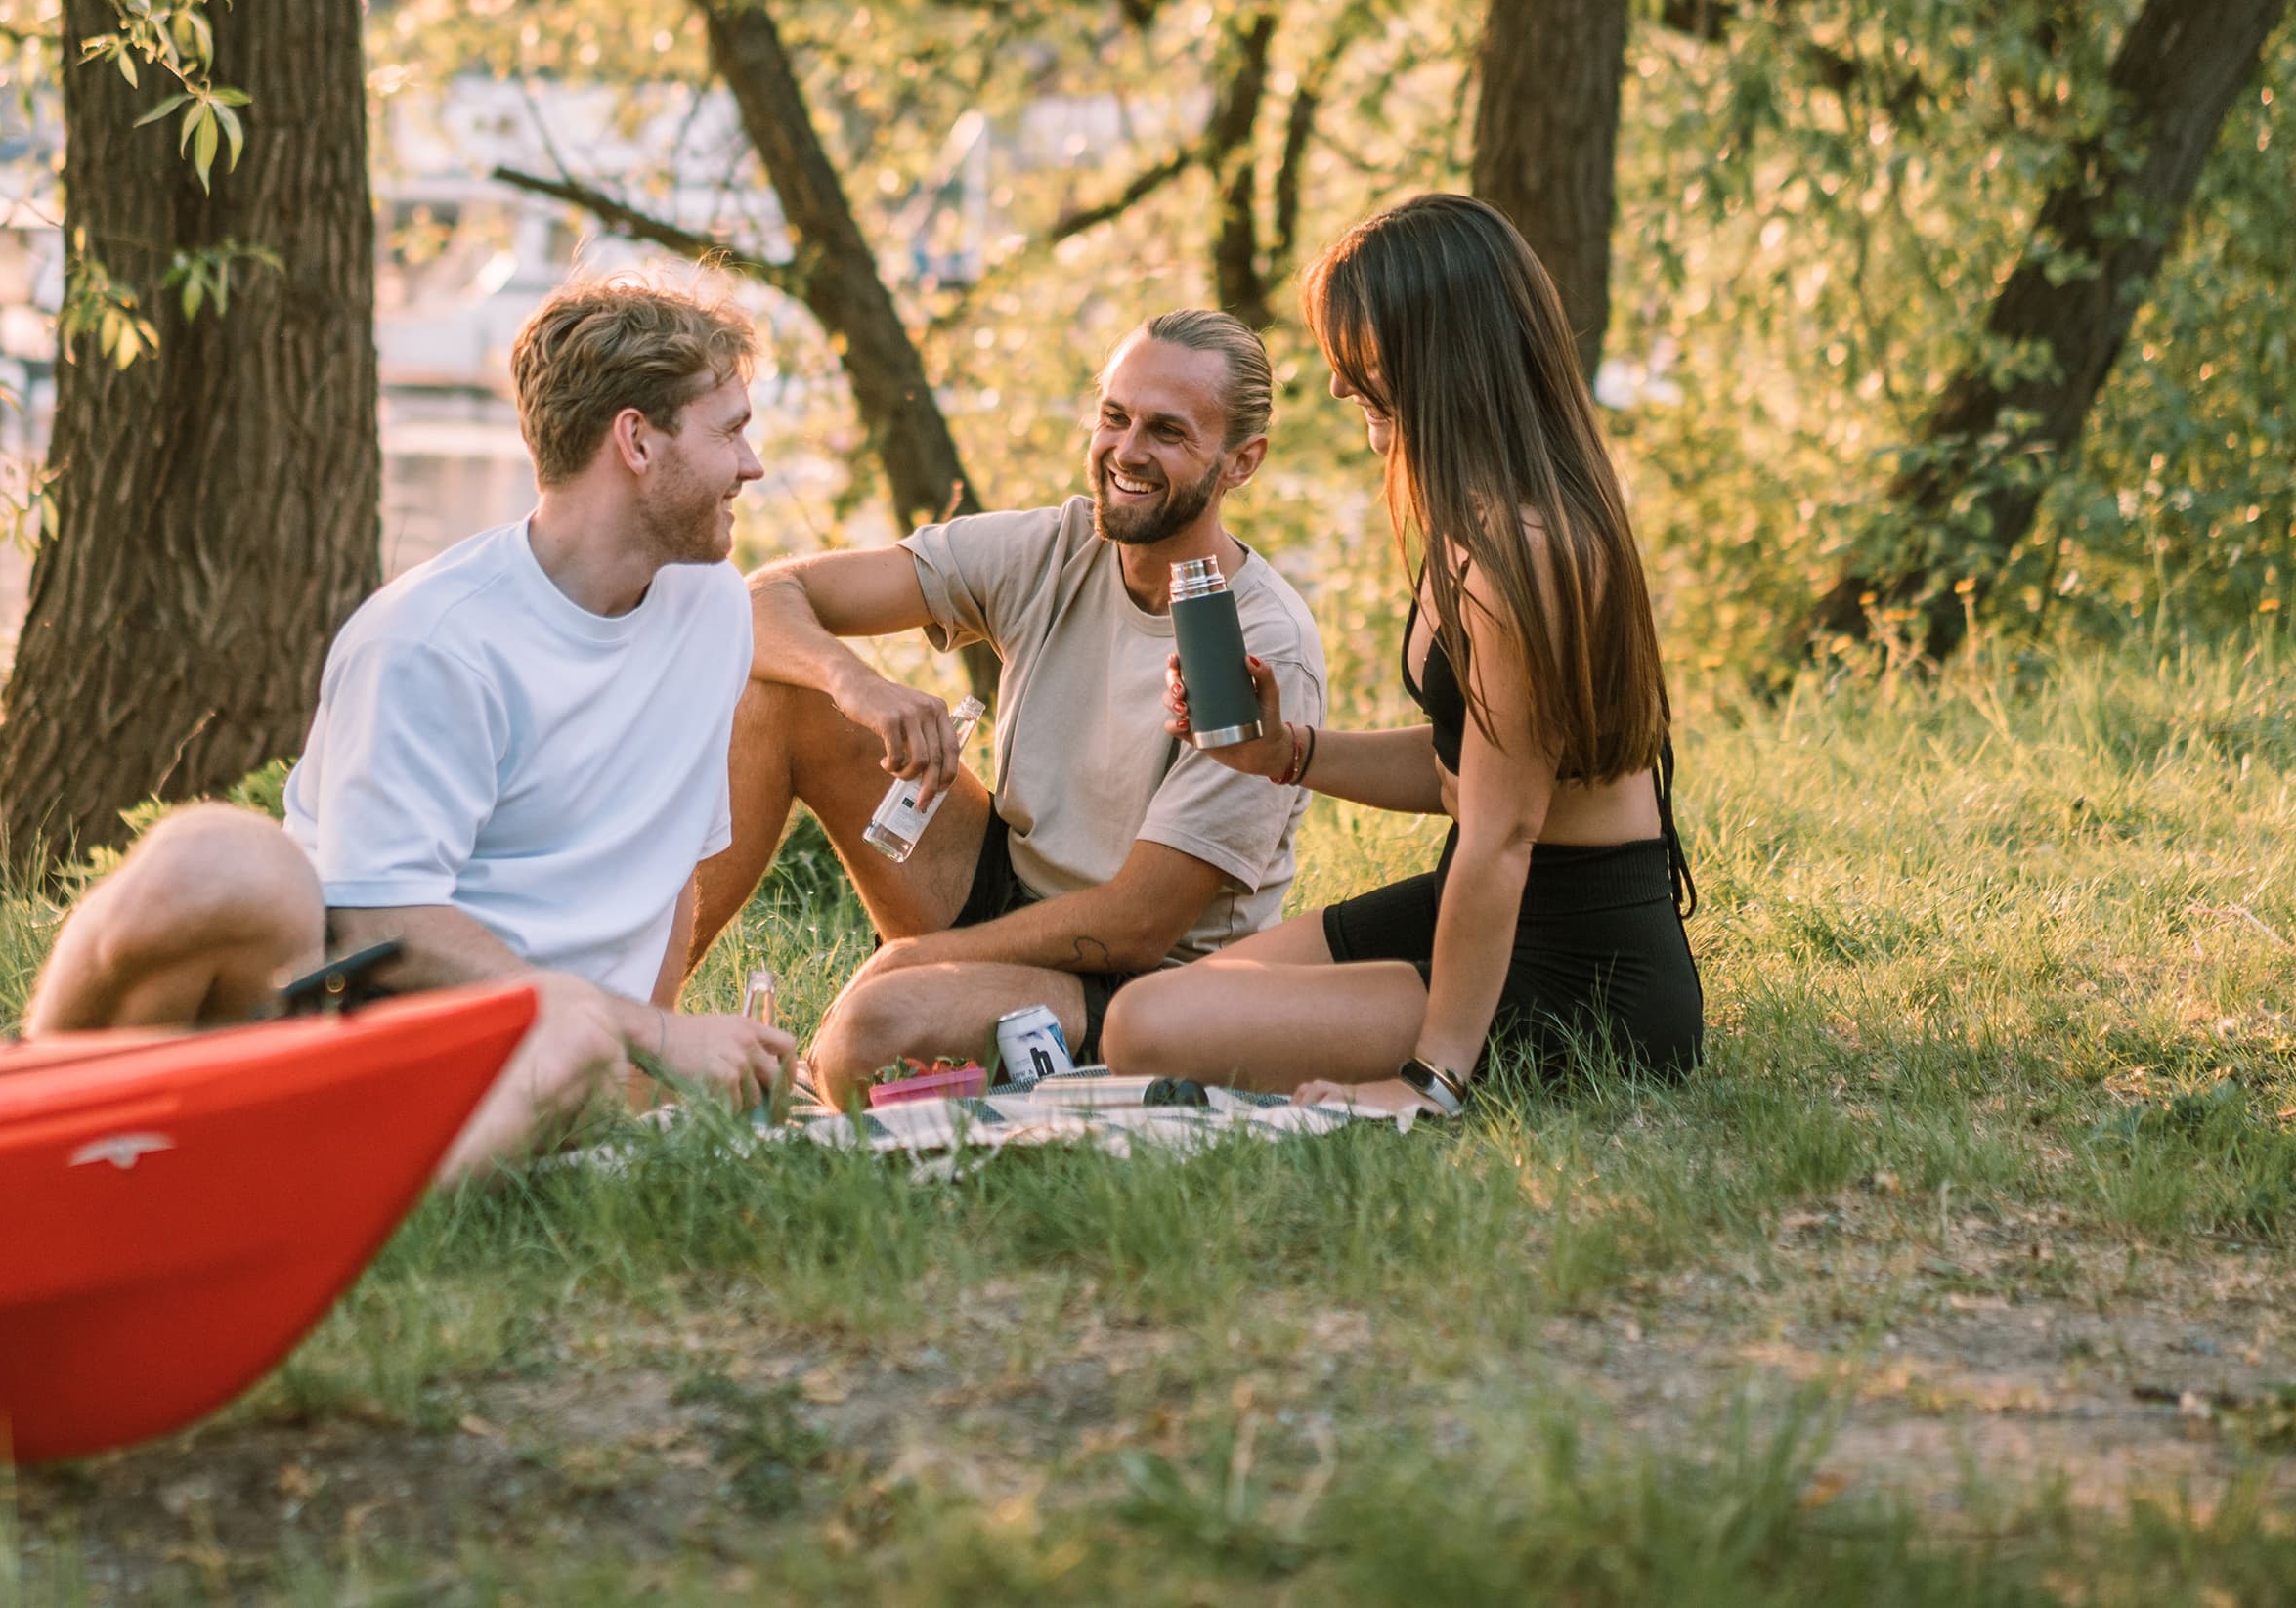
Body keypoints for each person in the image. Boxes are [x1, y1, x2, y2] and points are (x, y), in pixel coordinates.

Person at [25, 277, 798, 1179]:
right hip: (378, 1039)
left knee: (579, 1040)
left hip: (565, 1066)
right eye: (731, 430)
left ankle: (334, 1224)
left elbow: (669, 870)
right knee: (221, 860)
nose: (752, 464)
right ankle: (32, 1120)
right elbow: (374, 919)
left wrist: (648, 1053)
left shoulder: (712, 609)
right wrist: (654, 1032)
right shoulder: (434, 640)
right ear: (635, 440)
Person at [1104, 195, 1702, 1113]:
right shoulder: (1476, 522)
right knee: (1156, 1009)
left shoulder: (1523, 552)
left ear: (1442, 351)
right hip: (1504, 908)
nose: (1341, 387)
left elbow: (1501, 835)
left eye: (1361, 358)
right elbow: (1465, 773)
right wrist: (1285, 752)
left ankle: (1445, 1055)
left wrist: (1431, 1078)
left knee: (1148, 1032)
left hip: (1586, 973)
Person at [685, 310, 1328, 1105]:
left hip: (1139, 985)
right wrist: (857, 682)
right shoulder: (1053, 548)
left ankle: (932, 1035)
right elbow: (767, 600)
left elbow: (1140, 922)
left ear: (1241, 461)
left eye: (1167, 431)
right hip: (1003, 888)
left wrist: (919, 962)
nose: (1127, 452)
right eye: (1114, 417)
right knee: (782, 691)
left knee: (866, 1036)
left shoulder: (1264, 643)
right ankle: (634, 1029)